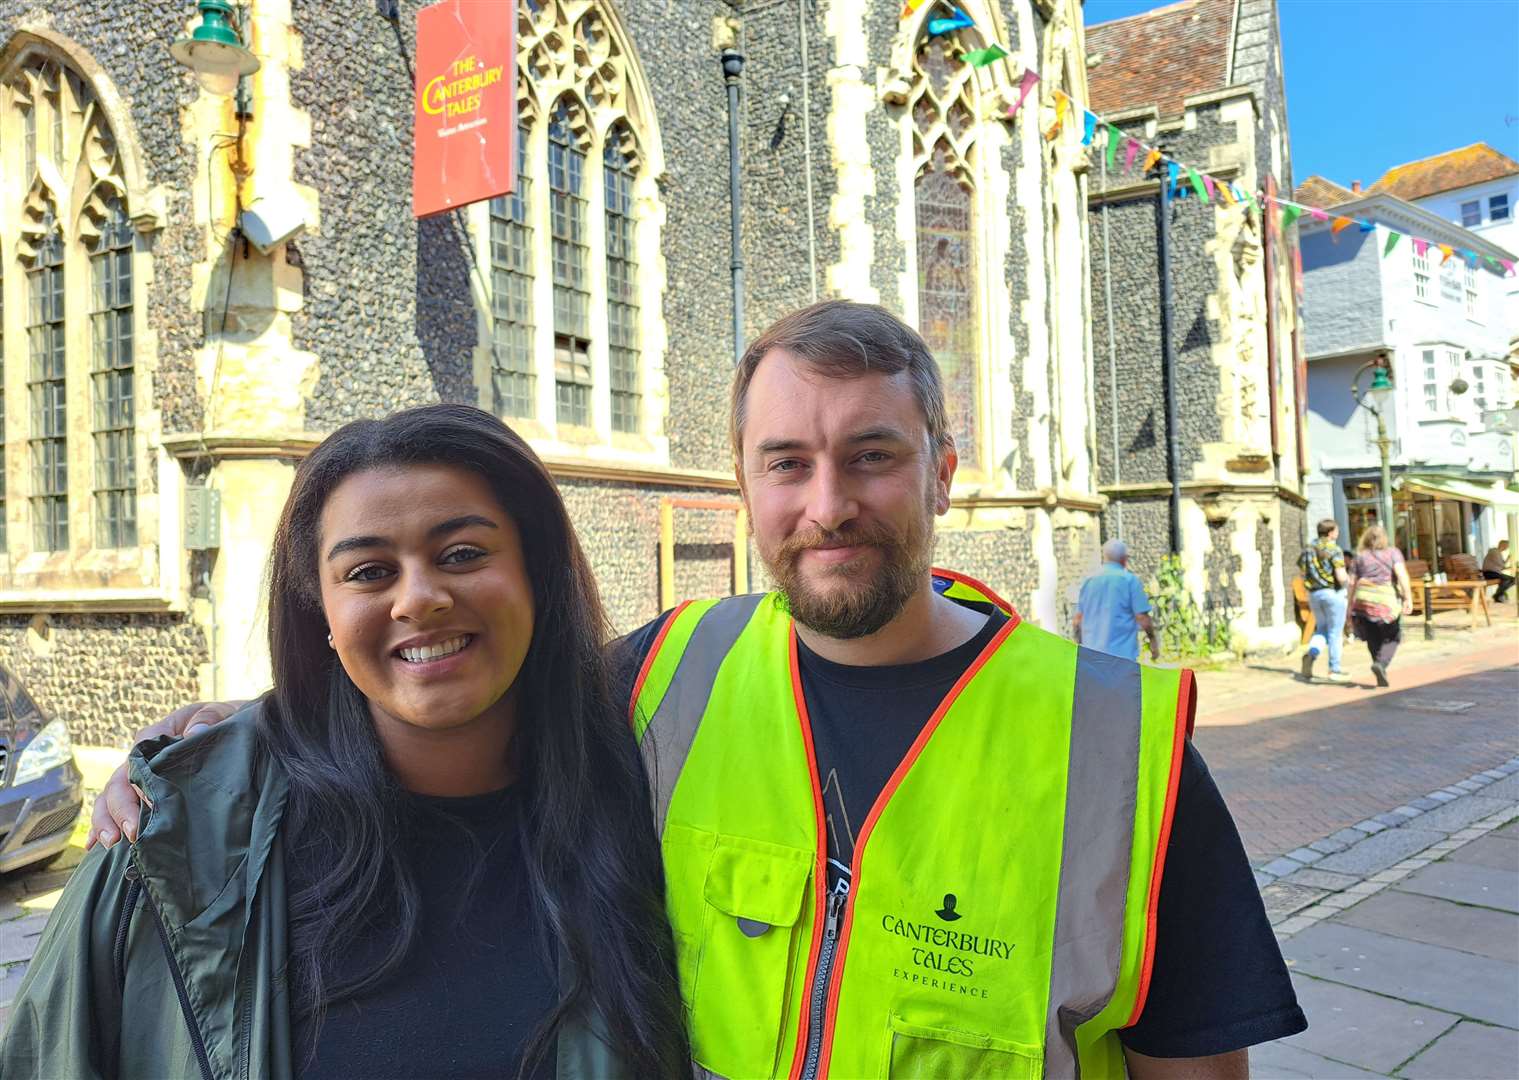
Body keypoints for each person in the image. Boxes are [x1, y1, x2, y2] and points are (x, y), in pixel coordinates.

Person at [92, 302, 1304, 1078]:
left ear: (942, 468)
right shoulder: (666, 676)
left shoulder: (1120, 744)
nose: (826, 504)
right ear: (742, 484)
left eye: (871, 457)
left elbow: (1190, 1065)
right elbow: (443, 673)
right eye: (787, 463)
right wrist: (228, 744)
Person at [2, 406, 689, 1078]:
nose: (418, 599)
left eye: (462, 554)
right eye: (368, 572)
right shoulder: (171, 844)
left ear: (536, 577)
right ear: (321, 614)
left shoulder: (656, 797)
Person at [1346, 523, 1413, 688]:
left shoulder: (1359, 556)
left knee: (1372, 635)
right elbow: (1402, 575)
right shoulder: (1393, 553)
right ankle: (1381, 664)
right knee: (1393, 635)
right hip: (1384, 599)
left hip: (1363, 600)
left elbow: (1351, 582)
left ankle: (1377, 663)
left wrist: (1349, 606)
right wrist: (1408, 598)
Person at [1072, 539, 1161, 660]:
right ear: (1124, 559)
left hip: (1092, 656)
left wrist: (1079, 645)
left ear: (1104, 557)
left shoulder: (1089, 581)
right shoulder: (1129, 581)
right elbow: (1142, 617)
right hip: (1122, 657)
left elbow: (1078, 619)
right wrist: (1153, 641)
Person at [1297, 519, 1350, 683]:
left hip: (1314, 594)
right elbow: (1341, 576)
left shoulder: (1308, 549)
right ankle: (1334, 669)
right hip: (1333, 593)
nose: (1338, 533)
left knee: (1322, 629)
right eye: (1336, 530)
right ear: (1330, 533)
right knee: (1335, 632)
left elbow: (1301, 569)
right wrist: (1349, 582)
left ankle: (1312, 653)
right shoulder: (1334, 549)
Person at [1482, 539, 1513, 603]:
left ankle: (1498, 595)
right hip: (1490, 573)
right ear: (1502, 545)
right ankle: (1498, 595)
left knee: (1512, 580)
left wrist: (1507, 559)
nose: (1507, 548)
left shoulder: (1497, 552)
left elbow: (1501, 566)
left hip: (1494, 573)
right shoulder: (1495, 552)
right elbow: (1502, 566)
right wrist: (1507, 563)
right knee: (1509, 580)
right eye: (1507, 546)